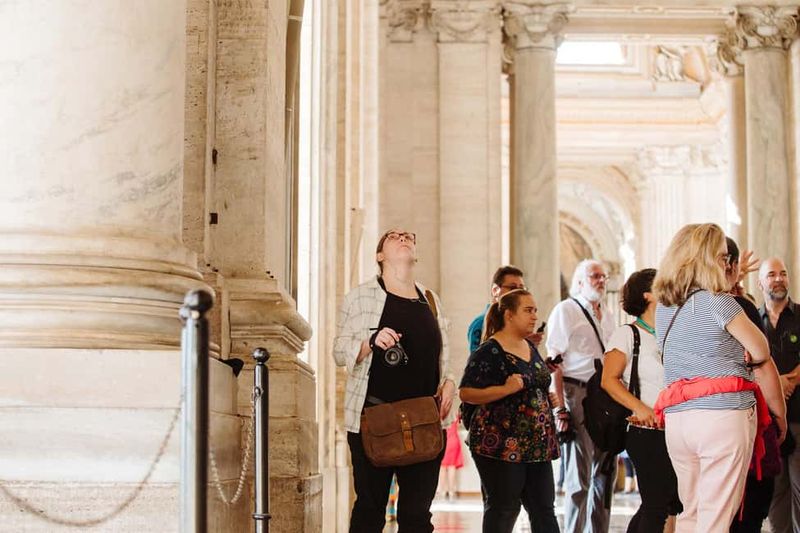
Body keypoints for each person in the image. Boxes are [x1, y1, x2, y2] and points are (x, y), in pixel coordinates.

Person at [652, 223, 786, 533]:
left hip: (679, 418)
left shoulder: (665, 308)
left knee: (691, 511)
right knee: (716, 517)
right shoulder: (719, 302)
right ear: (704, 259)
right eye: (722, 257)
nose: (728, 265)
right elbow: (761, 350)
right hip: (722, 415)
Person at [333, 228, 456, 533]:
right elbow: (338, 350)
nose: (404, 238)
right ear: (379, 256)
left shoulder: (430, 299)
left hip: (425, 421)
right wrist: (370, 341)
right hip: (375, 421)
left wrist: (450, 384)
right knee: (369, 512)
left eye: (409, 236)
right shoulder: (360, 297)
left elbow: (444, 358)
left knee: (417, 517)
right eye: (393, 236)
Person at [460, 289, 560, 533]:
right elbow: (466, 392)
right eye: (528, 310)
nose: (534, 316)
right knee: (504, 508)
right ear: (509, 314)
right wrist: (504, 389)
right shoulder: (489, 351)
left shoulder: (529, 345)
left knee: (544, 509)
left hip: (537, 446)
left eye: (535, 310)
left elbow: (532, 381)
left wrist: (547, 398)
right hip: (501, 445)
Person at [601, 268, 680, 533]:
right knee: (656, 505)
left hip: (678, 429)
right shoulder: (627, 334)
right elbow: (608, 379)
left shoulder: (674, 333)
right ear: (648, 294)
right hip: (646, 432)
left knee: (666, 503)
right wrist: (641, 408)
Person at [547, 259, 616, 533]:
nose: (601, 280)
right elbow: (554, 360)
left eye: (604, 276)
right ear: (579, 282)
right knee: (579, 475)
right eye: (594, 276)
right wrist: (560, 408)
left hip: (605, 397)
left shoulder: (608, 315)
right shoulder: (567, 310)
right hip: (578, 393)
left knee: (604, 473)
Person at [725, 238, 775, 533]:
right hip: (740, 416)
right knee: (747, 509)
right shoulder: (738, 307)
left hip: (693, 422)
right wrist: (777, 417)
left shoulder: (676, 311)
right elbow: (762, 360)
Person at [760, 257, 800, 533]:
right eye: (772, 274)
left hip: (798, 414)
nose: (778, 279)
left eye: (783, 274)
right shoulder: (752, 319)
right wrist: (776, 383)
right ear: (761, 282)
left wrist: (791, 379)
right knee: (775, 491)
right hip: (767, 420)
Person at [467, 265, 528, 354]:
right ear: (495, 290)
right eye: (512, 288)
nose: (518, 293)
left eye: (521, 288)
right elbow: (477, 361)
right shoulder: (481, 323)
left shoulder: (518, 321)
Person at [438, 414, 465, 501]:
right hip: (454, 440)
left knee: (442, 467)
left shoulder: (440, 414)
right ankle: (451, 492)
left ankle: (442, 492)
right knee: (452, 467)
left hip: (444, 441)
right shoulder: (455, 414)